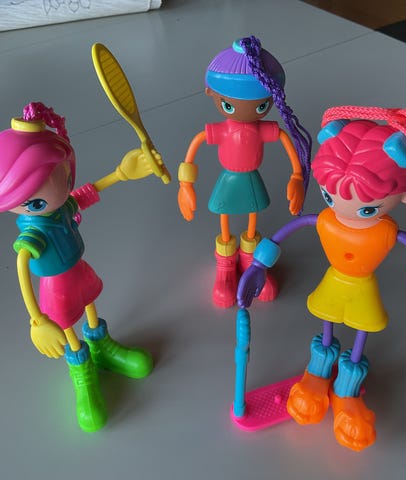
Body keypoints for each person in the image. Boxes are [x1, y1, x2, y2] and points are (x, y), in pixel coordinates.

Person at [237, 105, 406, 451]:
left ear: (405, 196)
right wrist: (259, 265)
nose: (344, 210)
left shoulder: (386, 233)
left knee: (360, 334)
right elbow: (279, 238)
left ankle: (347, 391)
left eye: (367, 208)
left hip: (363, 289)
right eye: (329, 196)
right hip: (334, 284)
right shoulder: (326, 221)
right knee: (327, 326)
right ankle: (317, 374)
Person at [0, 102, 163, 432]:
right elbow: (21, 264)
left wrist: (122, 172)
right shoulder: (33, 233)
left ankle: (102, 347)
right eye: (34, 197)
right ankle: (82, 371)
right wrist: (37, 320)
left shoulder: (61, 207)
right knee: (68, 328)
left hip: (78, 270)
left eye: (61, 176)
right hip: (55, 286)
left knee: (89, 304)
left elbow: (85, 195)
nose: (58, 189)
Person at [177, 35, 311, 308]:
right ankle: (226, 266)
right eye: (228, 104)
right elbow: (196, 143)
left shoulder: (264, 129)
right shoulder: (222, 130)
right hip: (228, 180)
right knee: (224, 219)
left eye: (262, 105)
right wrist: (185, 184)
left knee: (252, 218)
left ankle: (250, 260)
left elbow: (287, 140)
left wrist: (298, 177)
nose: (248, 112)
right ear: (210, 93)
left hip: (251, 178)